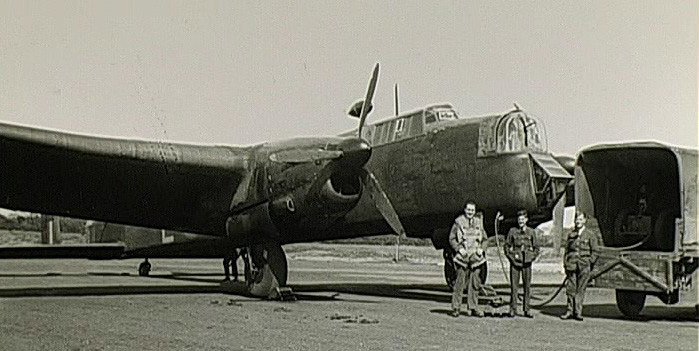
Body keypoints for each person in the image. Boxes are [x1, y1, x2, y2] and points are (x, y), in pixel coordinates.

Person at [449, 201, 487, 317]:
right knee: (459, 283)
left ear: (474, 212)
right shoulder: (458, 222)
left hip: (476, 257)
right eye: (468, 210)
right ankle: (456, 308)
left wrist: (482, 249)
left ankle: (473, 307)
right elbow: (452, 238)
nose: (470, 212)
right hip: (463, 257)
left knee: (475, 284)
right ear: (465, 210)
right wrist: (458, 249)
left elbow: (485, 239)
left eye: (472, 210)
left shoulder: (478, 222)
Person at [561, 211, 599, 321]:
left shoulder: (590, 235)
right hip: (572, 265)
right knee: (570, 289)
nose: (578, 221)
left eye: (580, 219)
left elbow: (595, 251)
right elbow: (567, 251)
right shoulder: (571, 234)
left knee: (580, 290)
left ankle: (577, 312)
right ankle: (569, 311)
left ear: (585, 221)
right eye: (577, 219)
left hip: (584, 265)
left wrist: (589, 262)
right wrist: (565, 264)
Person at [504, 209, 539, 318]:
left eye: (523, 219)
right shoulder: (512, 231)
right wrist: (511, 258)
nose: (521, 221)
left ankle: (526, 310)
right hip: (515, 263)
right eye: (519, 219)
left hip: (526, 263)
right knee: (514, 287)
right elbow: (506, 246)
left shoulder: (531, 232)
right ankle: (512, 309)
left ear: (526, 220)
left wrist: (531, 257)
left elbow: (536, 248)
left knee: (527, 287)